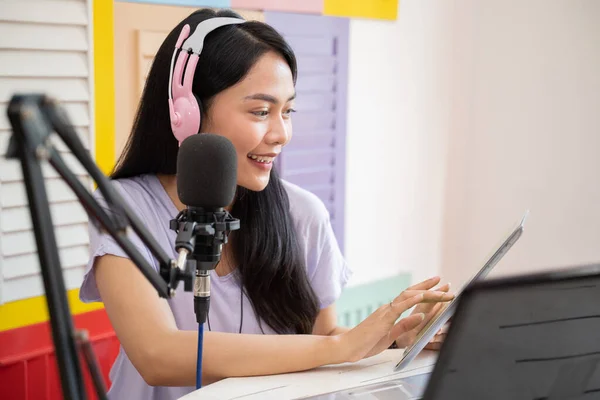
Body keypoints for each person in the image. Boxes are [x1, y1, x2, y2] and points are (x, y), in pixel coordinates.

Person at [80, 8, 453, 400]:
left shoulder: (302, 213)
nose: (281, 134)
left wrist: (394, 339)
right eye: (261, 111)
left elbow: (322, 338)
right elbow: (157, 354)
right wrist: (337, 348)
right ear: (186, 114)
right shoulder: (124, 208)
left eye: (287, 111)